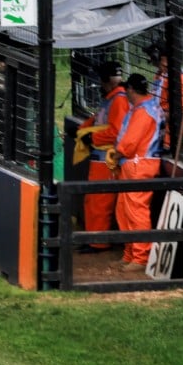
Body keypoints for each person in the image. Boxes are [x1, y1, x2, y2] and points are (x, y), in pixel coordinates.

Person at [111, 73, 164, 270]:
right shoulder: (147, 107)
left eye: (127, 89)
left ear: (131, 90)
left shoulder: (144, 110)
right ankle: (131, 253)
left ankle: (140, 257)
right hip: (135, 163)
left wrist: (116, 155)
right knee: (124, 210)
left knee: (135, 211)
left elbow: (130, 142)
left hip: (138, 164)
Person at [78, 59, 128, 250]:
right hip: (101, 157)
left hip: (108, 158)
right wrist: (83, 130)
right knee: (93, 199)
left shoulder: (119, 99)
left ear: (107, 79)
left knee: (100, 200)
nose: (99, 82)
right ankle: (93, 238)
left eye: (101, 78)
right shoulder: (111, 98)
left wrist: (92, 137)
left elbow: (116, 132)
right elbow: (98, 119)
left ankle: (98, 242)